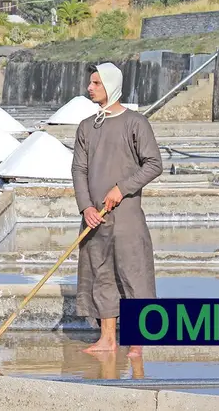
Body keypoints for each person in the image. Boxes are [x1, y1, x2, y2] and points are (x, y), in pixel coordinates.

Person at [70, 62, 163, 357]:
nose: (90, 88)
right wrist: (86, 206)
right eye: (90, 83)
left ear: (110, 85)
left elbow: (154, 164)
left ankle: (138, 341)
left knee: (133, 274)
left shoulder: (136, 123)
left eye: (96, 83)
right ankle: (107, 339)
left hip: (126, 218)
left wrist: (121, 188)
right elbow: (79, 170)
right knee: (101, 275)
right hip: (95, 218)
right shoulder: (86, 126)